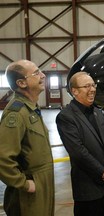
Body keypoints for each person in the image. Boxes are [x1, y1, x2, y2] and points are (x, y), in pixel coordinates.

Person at [56, 72, 104, 216]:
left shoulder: (97, 112)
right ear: (75, 91)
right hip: (88, 189)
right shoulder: (66, 117)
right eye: (87, 86)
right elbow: (78, 152)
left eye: (93, 85)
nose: (92, 89)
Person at [0, 60, 55, 216]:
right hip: (28, 193)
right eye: (36, 73)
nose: (43, 76)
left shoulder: (30, 109)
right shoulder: (16, 114)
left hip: (42, 182)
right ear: (22, 83)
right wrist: (23, 184)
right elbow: (2, 158)